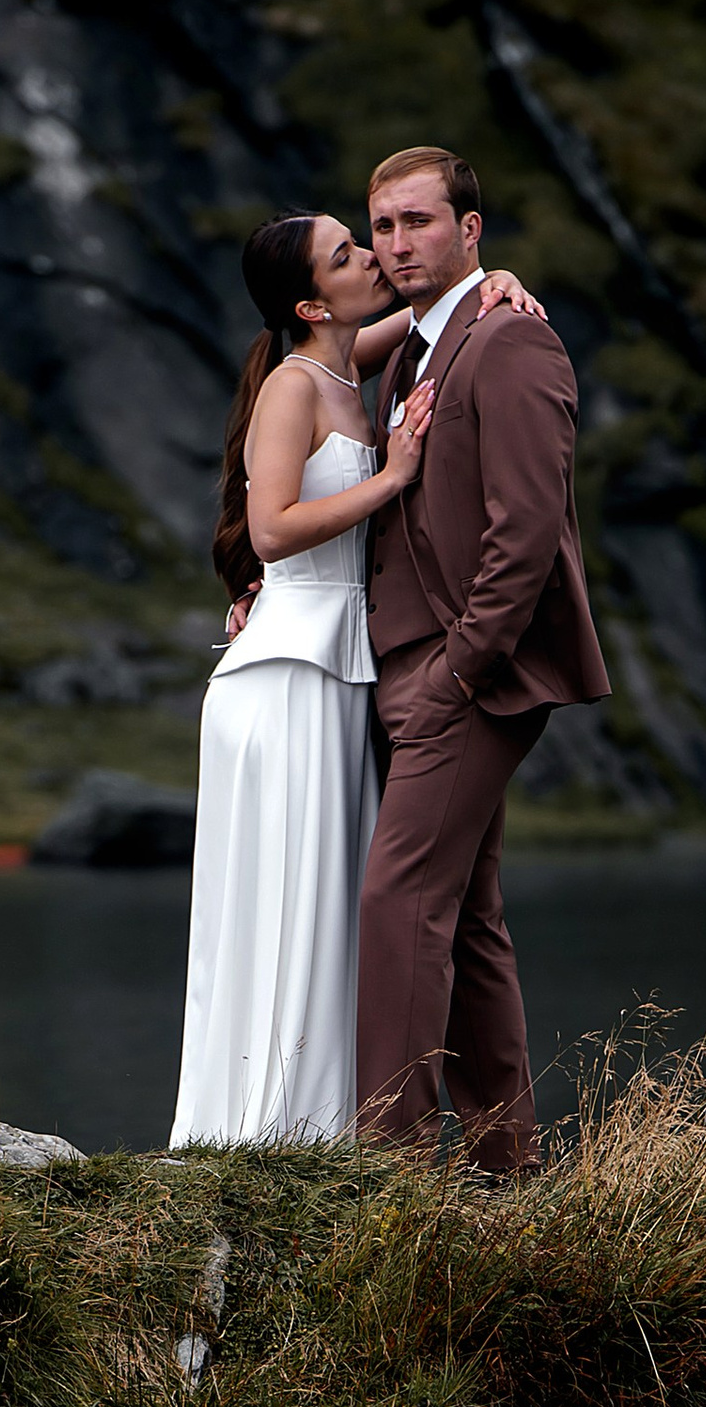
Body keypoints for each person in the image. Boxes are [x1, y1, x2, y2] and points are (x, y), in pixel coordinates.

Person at [170, 213, 545, 1152]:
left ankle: (324, 1125)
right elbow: (271, 531)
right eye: (348, 255)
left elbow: (441, 322)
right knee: (288, 899)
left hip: (343, 666)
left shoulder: (347, 358)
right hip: (289, 672)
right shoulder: (295, 386)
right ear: (309, 302)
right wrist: (396, 474)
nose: (374, 257)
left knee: (333, 895)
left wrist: (493, 281)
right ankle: (262, 1130)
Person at [358, 149, 609, 1175]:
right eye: (381, 226)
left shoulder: (508, 340)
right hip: (408, 662)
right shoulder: (404, 350)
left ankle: (393, 1161)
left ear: (470, 227)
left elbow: (529, 528)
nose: (398, 241)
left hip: (466, 675)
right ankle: (509, 1162)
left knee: (396, 899)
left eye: (418, 220)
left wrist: (459, 671)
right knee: (466, 919)